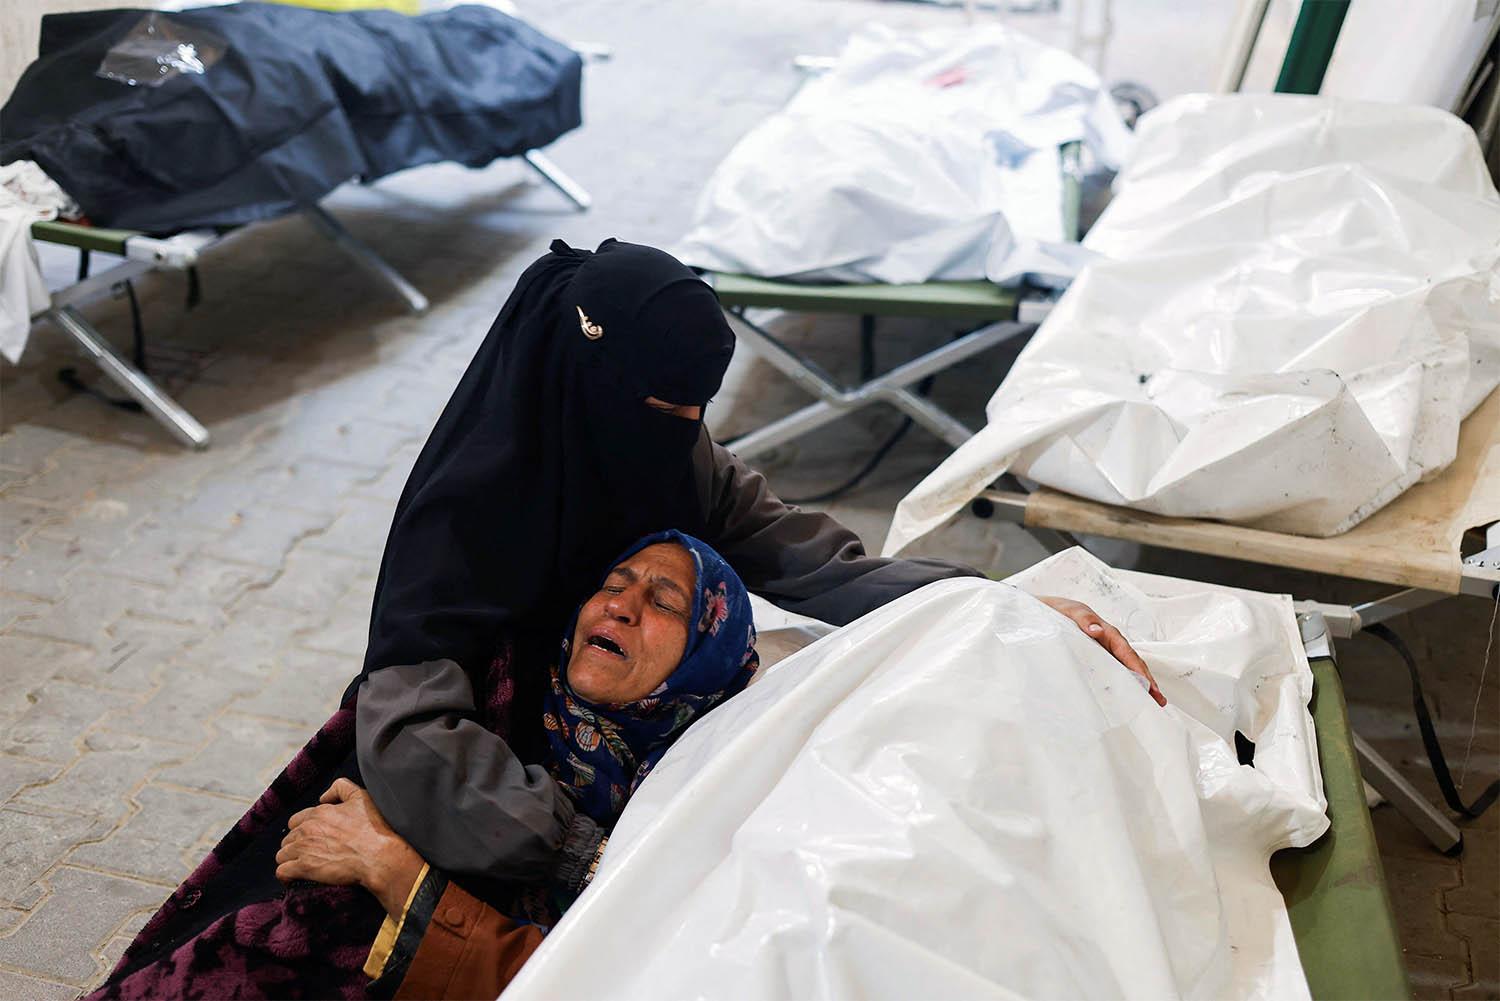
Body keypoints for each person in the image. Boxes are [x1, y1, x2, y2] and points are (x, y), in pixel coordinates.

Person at [88, 531, 758, 1000]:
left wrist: (390, 866)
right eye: (614, 583)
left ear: (707, 656)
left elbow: (607, 974)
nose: (621, 603)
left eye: (664, 601)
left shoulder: (694, 791)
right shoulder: (512, 697)